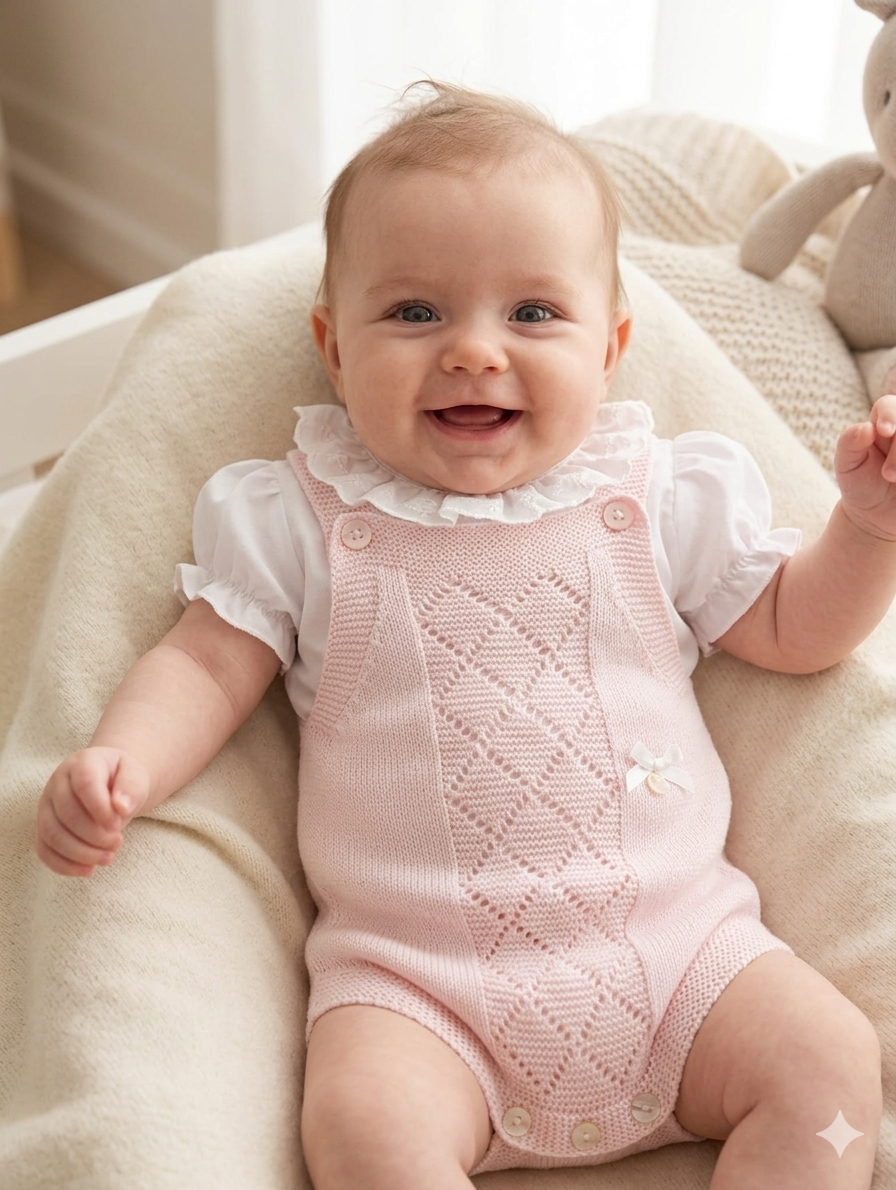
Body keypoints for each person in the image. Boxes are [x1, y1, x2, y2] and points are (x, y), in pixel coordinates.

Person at [35, 83, 891, 1189]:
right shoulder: (302, 520)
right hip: (421, 991)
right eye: (414, 314)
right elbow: (203, 659)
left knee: (828, 1060)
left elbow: (792, 626)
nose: (475, 352)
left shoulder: (653, 494)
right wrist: (124, 761)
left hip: (686, 956)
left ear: (611, 344)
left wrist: (863, 530)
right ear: (332, 349)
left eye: (532, 314)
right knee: (359, 1127)